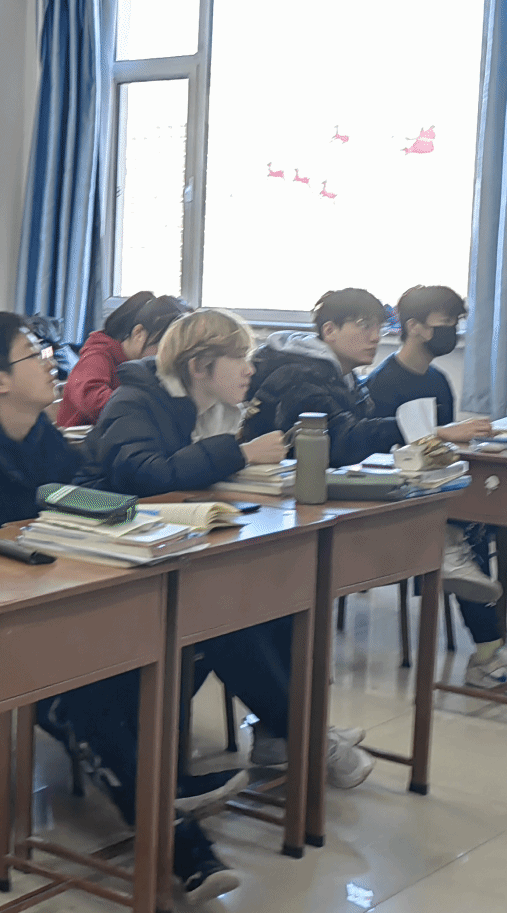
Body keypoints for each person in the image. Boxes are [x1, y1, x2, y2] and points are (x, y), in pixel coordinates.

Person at [0, 312, 247, 905]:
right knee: (81, 688)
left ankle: (168, 790)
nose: (51, 360)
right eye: (33, 354)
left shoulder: (40, 439)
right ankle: (183, 845)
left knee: (159, 640)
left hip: (33, 612)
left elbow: (79, 505)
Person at [84, 308, 372, 789]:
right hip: (114, 564)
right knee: (225, 623)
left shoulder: (214, 410)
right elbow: (148, 476)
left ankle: (278, 736)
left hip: (174, 554)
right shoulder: (135, 401)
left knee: (279, 599)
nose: (250, 370)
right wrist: (238, 453)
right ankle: (306, 736)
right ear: (199, 367)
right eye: (239, 359)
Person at [364, 287, 507, 677]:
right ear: (414, 327)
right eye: (444, 323)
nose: (452, 330)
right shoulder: (380, 385)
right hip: (406, 497)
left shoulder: (437, 380)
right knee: (471, 529)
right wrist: (442, 437)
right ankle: (488, 653)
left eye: (456, 322)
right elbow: (383, 452)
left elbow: (443, 451)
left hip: (442, 485)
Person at [240, 288, 490, 464]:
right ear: (330, 330)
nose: (375, 337)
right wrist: (434, 432)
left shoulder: (347, 379)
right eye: (364, 325)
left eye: (379, 328)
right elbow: (343, 440)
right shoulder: (297, 376)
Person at [58, 291, 189, 429]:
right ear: (138, 333)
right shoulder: (97, 355)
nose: (169, 354)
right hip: (82, 439)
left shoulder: (144, 366)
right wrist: (146, 408)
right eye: (163, 346)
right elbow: (91, 398)